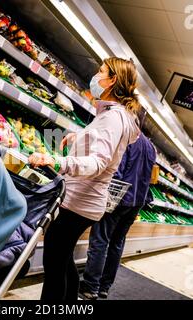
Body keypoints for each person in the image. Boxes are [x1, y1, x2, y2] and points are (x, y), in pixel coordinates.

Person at [28, 57, 141, 301]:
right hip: (83, 201)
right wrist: (79, 137)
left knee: (55, 263)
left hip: (81, 202)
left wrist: (56, 161)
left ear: (113, 80)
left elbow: (98, 163)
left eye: (101, 72)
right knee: (63, 257)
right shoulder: (113, 114)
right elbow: (102, 145)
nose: (95, 75)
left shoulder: (113, 117)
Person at [78, 130, 156, 300]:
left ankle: (91, 287)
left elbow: (118, 171)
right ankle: (105, 287)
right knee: (117, 243)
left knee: (100, 239)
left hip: (118, 198)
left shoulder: (128, 137)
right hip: (137, 201)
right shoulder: (151, 147)